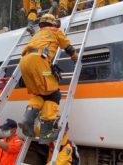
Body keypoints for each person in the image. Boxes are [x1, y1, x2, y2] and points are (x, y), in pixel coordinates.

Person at [18, 13, 77, 144]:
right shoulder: (55, 31)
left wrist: (50, 67)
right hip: (39, 61)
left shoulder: (37, 34)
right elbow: (68, 47)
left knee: (40, 94)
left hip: (24, 63)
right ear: (53, 23)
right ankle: (46, 133)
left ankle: (27, 119)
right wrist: (75, 57)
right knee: (54, 94)